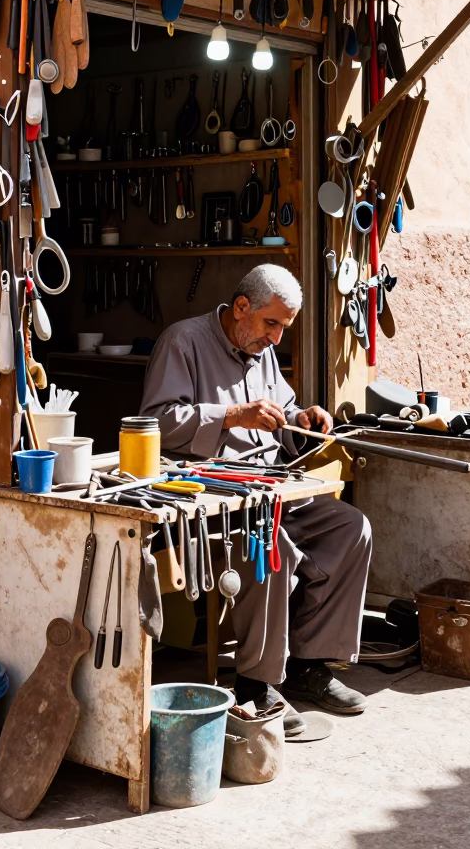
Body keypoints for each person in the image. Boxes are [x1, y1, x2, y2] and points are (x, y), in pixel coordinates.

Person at [140, 264, 371, 736]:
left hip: (268, 483)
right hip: (210, 496)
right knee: (273, 550)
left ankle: (308, 666)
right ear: (241, 308)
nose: (277, 338)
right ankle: (255, 686)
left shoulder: (260, 349)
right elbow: (157, 421)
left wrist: (301, 421)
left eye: (285, 328)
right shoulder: (183, 342)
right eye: (272, 324)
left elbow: (280, 415)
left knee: (351, 529)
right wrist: (229, 416)